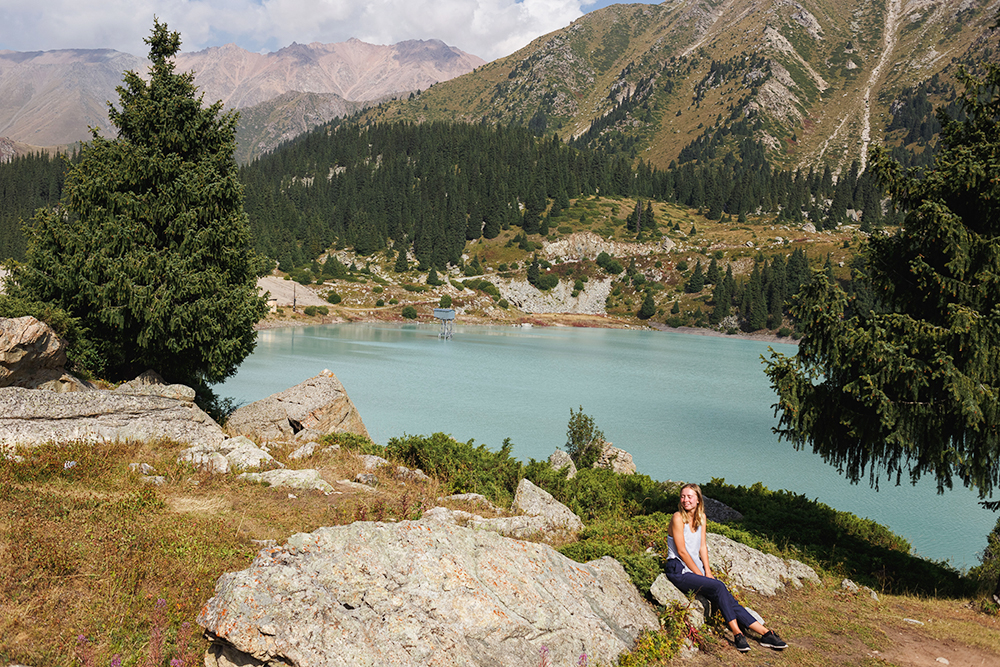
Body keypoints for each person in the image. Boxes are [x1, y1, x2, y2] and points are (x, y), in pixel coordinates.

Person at [664, 483, 788, 652]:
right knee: (719, 586)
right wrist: (701, 574)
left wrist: (708, 572)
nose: (686, 500)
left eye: (690, 496)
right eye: (683, 496)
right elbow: (682, 552)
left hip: (695, 569)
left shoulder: (702, 519)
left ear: (698, 500)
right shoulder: (678, 517)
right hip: (678, 569)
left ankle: (766, 633)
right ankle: (738, 634)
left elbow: (702, 547)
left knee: (726, 597)